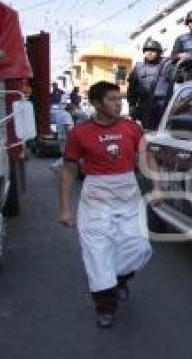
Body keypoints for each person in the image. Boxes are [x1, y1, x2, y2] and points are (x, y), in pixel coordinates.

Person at [58, 81, 161, 329]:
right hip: (96, 194)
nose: (119, 103)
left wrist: (157, 186)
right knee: (97, 251)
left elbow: (146, 156)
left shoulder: (131, 128)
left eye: (120, 98)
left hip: (127, 192)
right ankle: (105, 306)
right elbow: (70, 170)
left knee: (137, 246)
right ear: (95, 104)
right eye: (112, 99)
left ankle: (119, 279)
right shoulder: (79, 133)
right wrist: (64, 207)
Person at [126, 38, 166, 129]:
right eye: (147, 50)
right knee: (148, 134)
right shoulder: (138, 68)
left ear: (159, 52)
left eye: (153, 51)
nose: (149, 53)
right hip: (145, 106)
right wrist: (132, 107)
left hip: (163, 106)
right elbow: (131, 90)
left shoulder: (167, 65)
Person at [49, 103, 76, 171]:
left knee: (65, 154)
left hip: (60, 136)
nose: (74, 113)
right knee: (67, 154)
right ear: (71, 110)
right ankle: (55, 165)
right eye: (74, 111)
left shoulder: (60, 114)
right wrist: (72, 137)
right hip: (65, 138)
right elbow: (67, 127)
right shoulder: (67, 115)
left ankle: (61, 168)